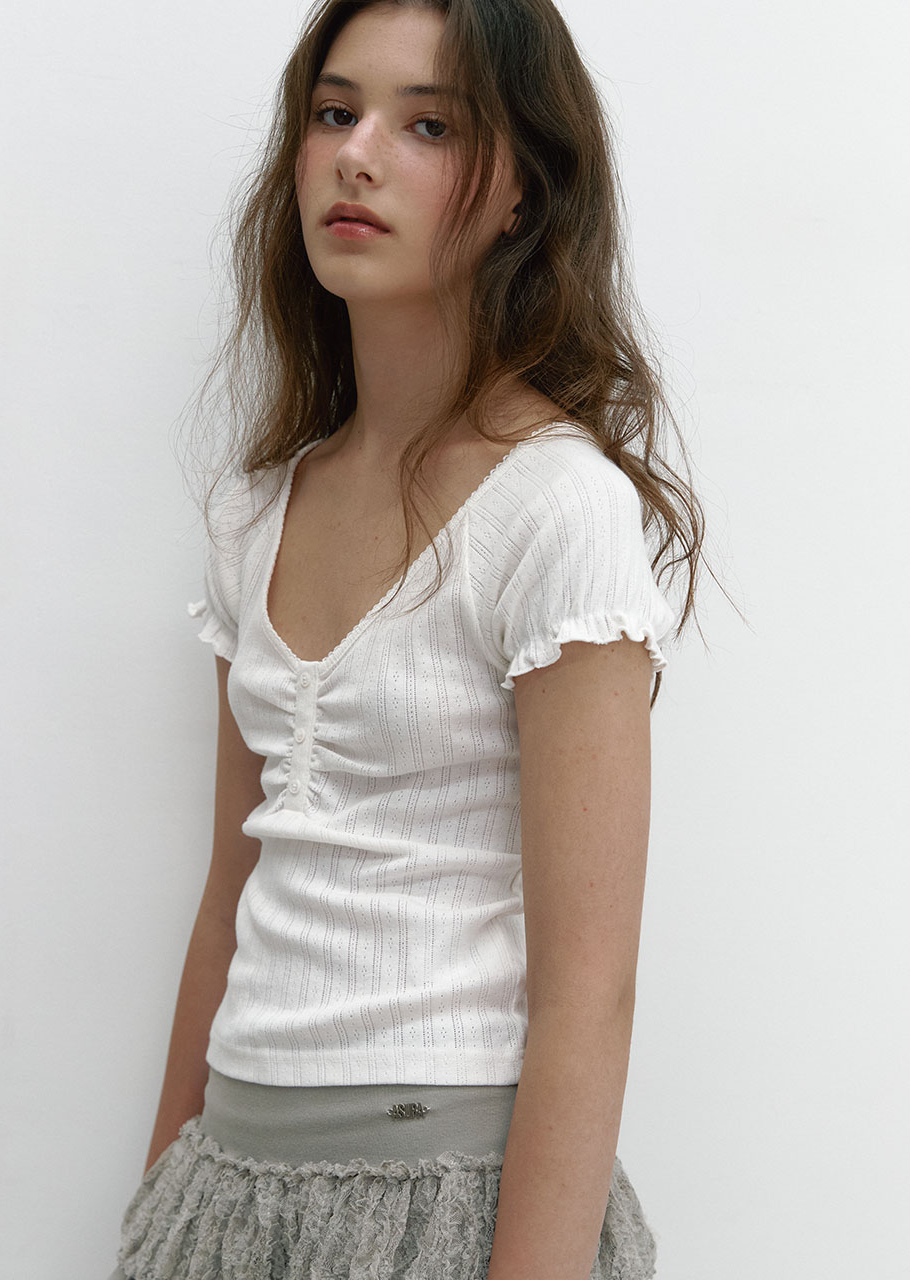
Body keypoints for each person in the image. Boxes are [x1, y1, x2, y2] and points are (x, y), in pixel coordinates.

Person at [109, 1, 713, 1276]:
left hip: (449, 1200)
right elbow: (229, 895)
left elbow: (588, 991)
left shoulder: (558, 507)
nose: (357, 155)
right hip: (227, 1191)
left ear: (521, 192)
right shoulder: (255, 511)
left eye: (427, 125)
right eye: (335, 112)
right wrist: (156, 1209)